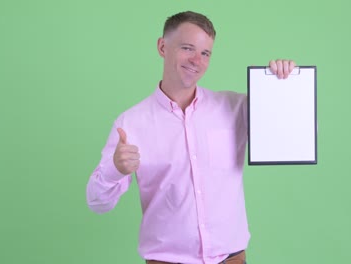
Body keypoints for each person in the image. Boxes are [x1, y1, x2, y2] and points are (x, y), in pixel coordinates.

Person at [86, 10, 295, 264]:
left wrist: (283, 85)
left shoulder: (235, 108)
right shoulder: (130, 123)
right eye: (188, 48)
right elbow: (97, 202)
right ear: (163, 47)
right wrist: (115, 169)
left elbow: (297, 134)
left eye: (205, 53)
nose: (197, 60)